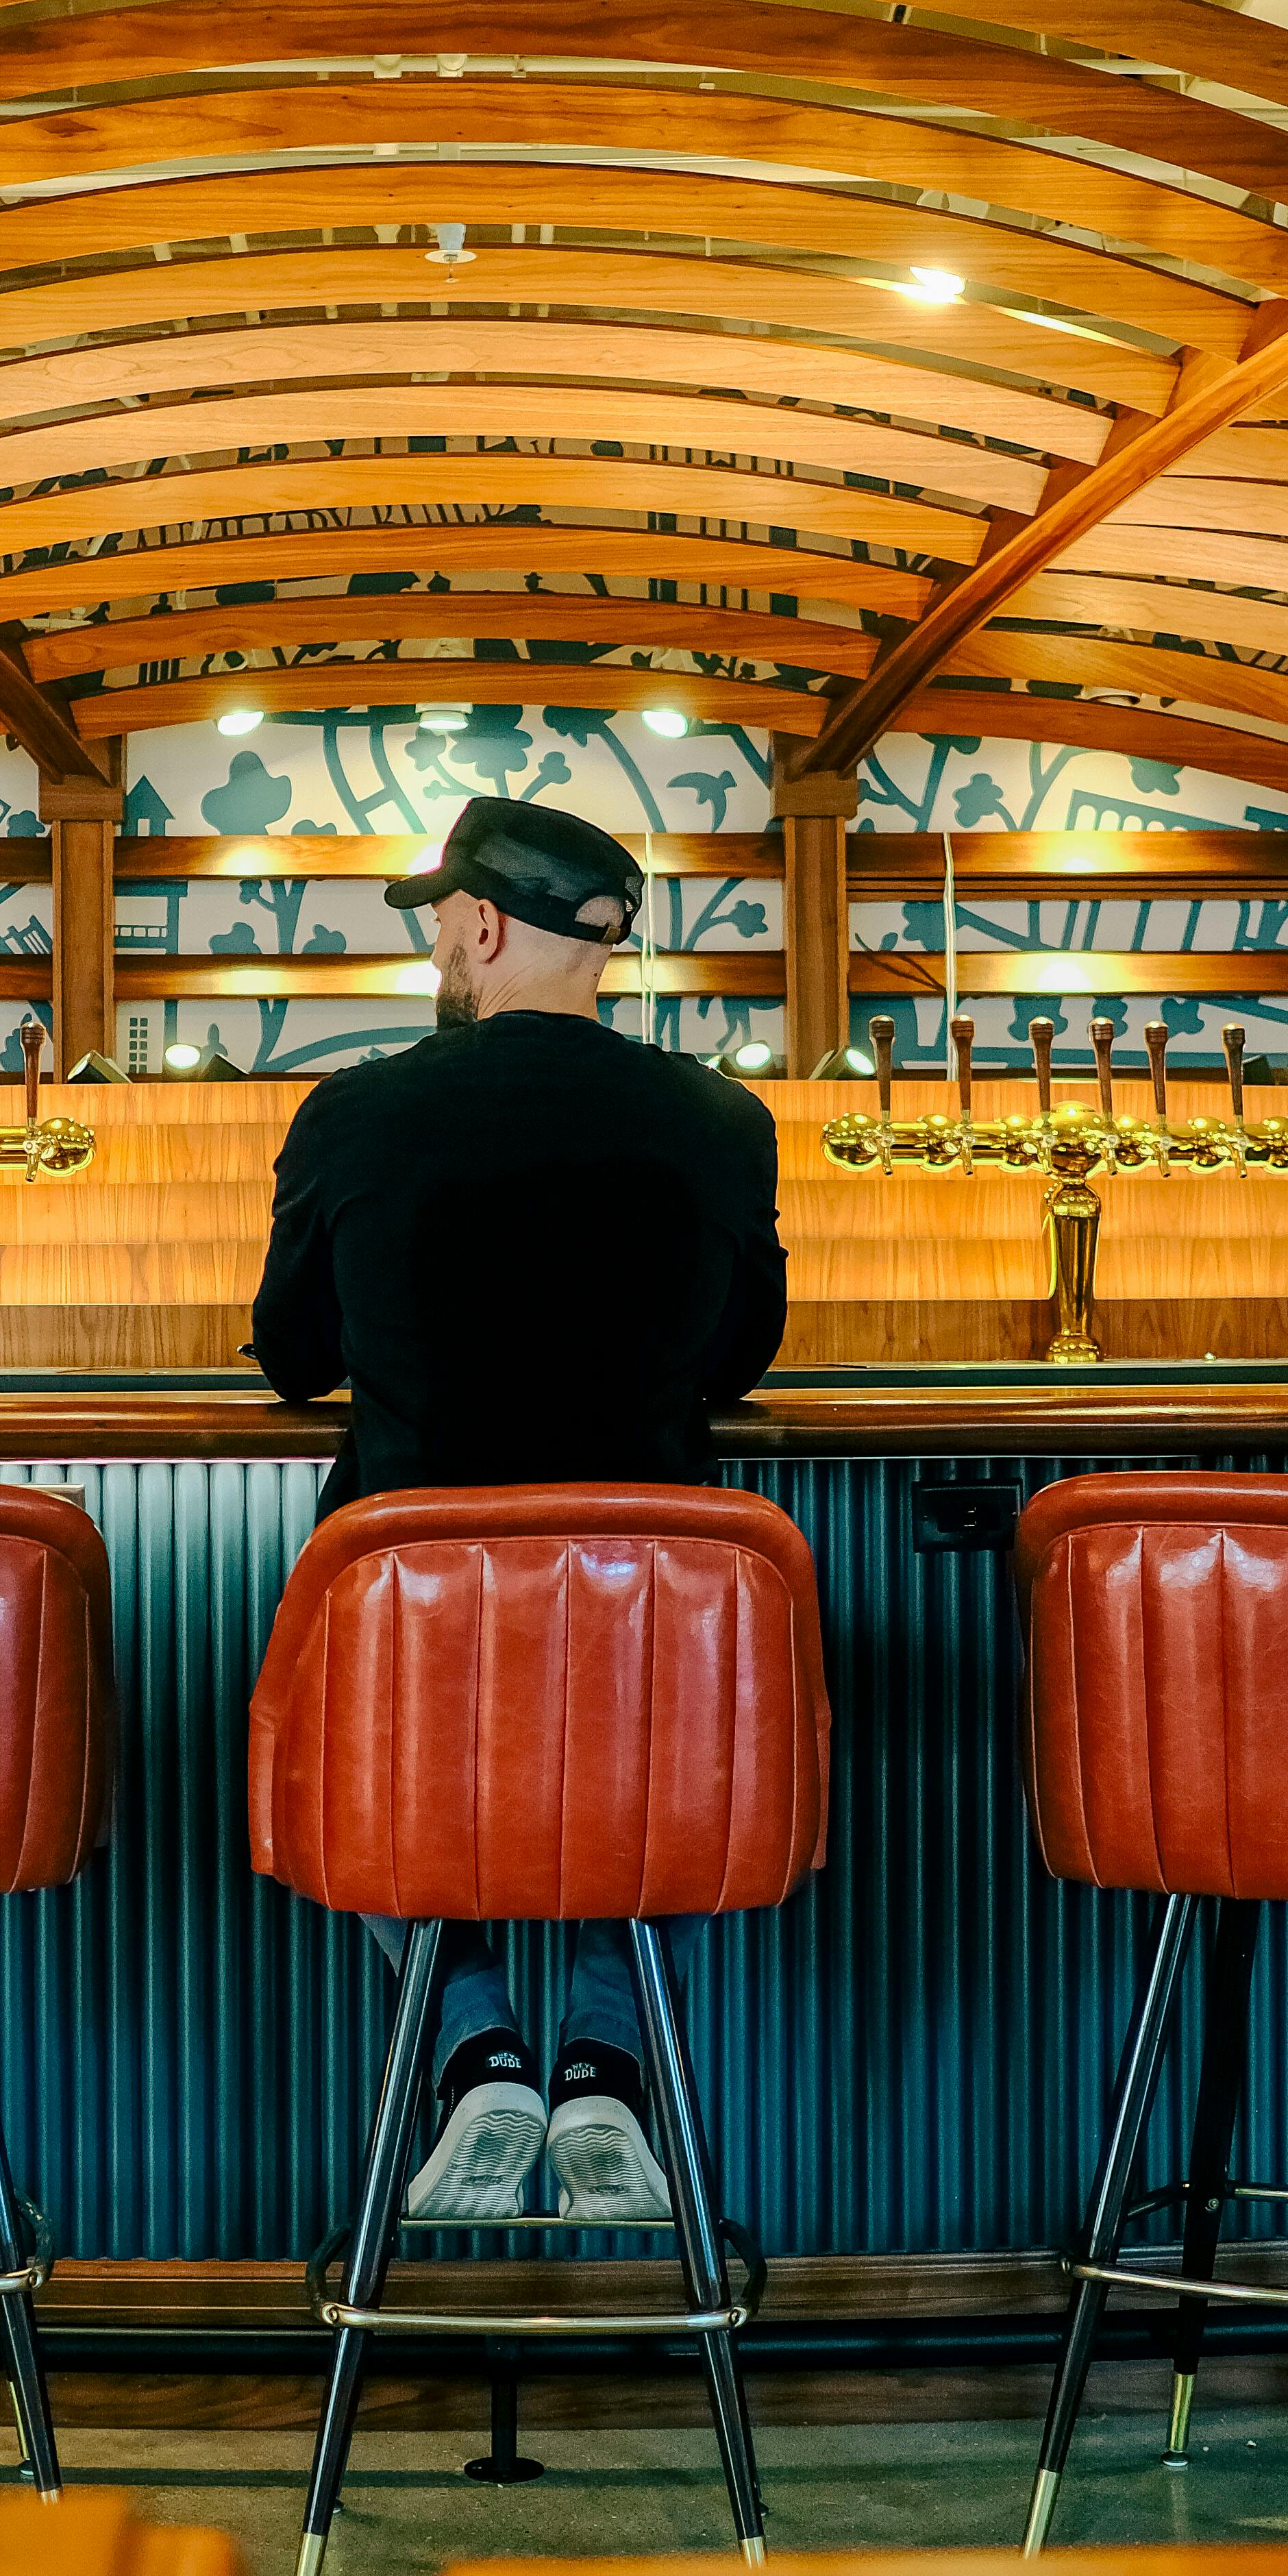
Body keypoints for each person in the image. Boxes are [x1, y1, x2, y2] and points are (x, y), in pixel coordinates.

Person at [251, 794, 787, 2229]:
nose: (438, 937)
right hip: (656, 1628)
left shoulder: (355, 1110)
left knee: (346, 1780)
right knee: (671, 1794)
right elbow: (741, 1359)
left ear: (480, 927)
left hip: (409, 1627)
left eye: (438, 916)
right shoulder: (723, 1118)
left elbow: (296, 1357)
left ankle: (477, 2047)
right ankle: (606, 2071)